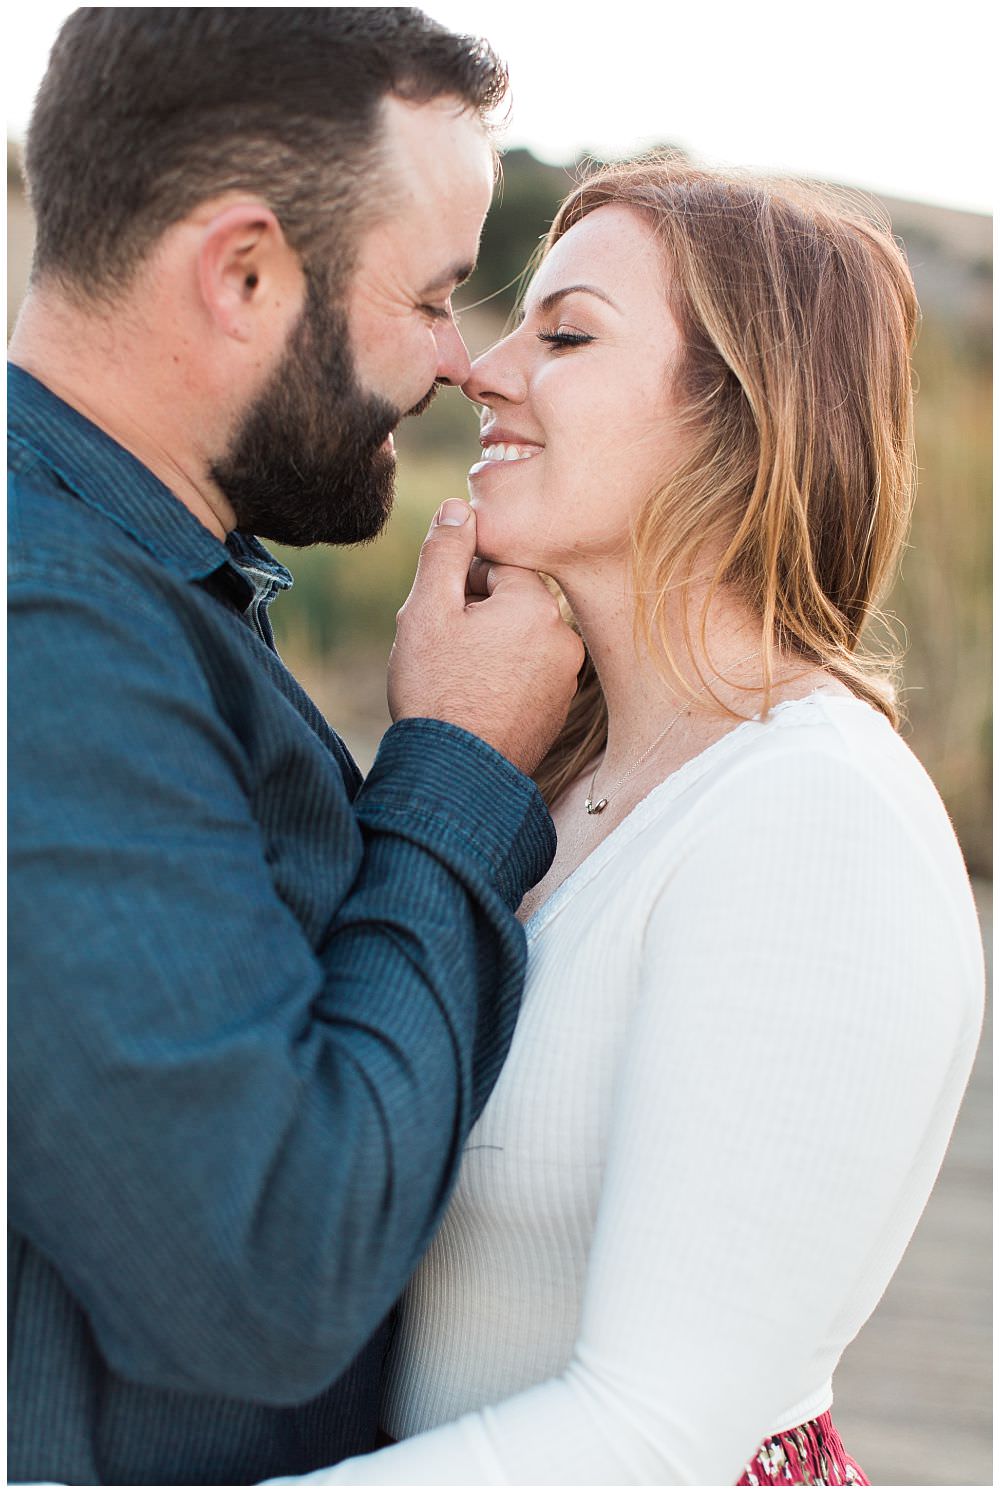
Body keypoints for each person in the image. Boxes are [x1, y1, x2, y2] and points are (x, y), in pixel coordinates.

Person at [264, 162, 986, 1486]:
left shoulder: (812, 820)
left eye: (567, 333)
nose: (480, 370)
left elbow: (650, 1434)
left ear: (738, 418)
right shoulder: (550, 781)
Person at [7, 8, 585, 1486]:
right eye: (435, 295)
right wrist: (454, 759)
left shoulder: (132, 576)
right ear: (245, 273)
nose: (458, 364)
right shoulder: (46, 629)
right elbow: (264, 1271)